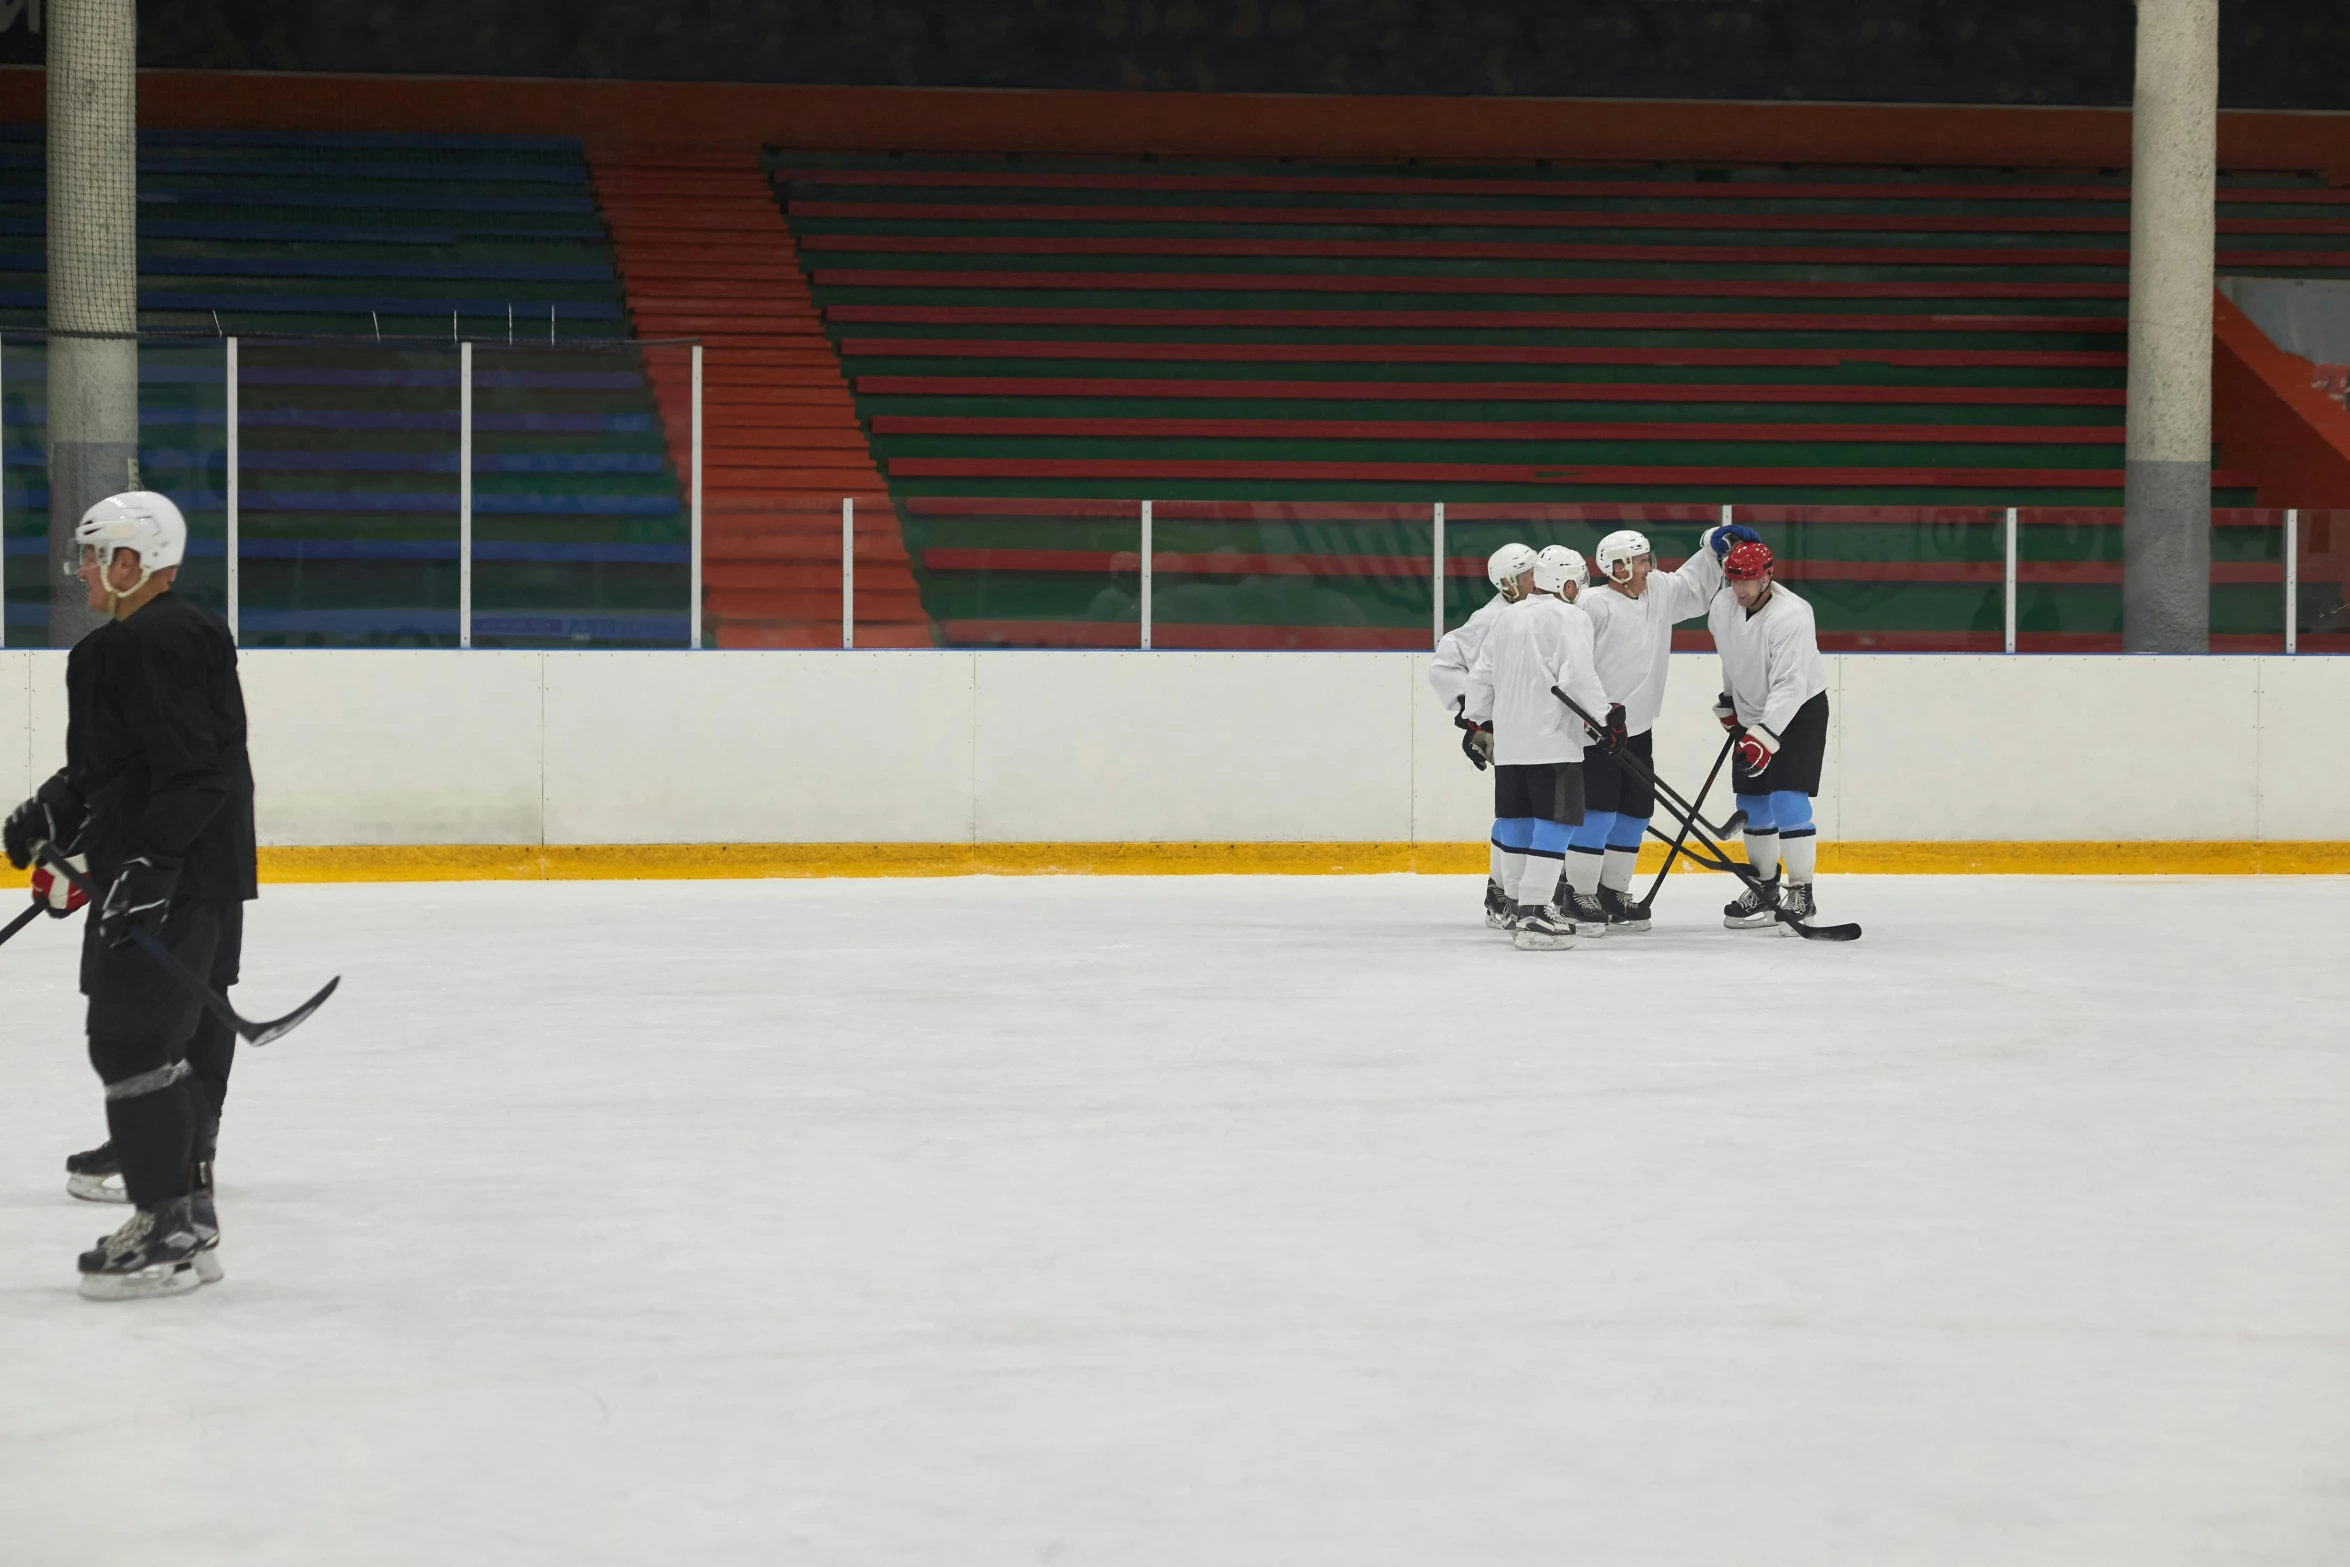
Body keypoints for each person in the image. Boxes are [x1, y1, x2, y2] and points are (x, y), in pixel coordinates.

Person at [1, 491, 258, 1300]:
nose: (81, 569)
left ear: (133, 562)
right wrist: (56, 811)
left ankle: (167, 1228)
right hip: (196, 871)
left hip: (172, 875)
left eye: (93, 554)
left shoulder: (143, 643)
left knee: (132, 1042)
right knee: (157, 1038)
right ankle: (187, 1211)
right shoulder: (171, 634)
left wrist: (148, 864)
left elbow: (194, 771)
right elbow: (126, 766)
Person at [1566, 522, 1752, 931]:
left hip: (1639, 727)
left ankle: (1612, 892)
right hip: (1593, 730)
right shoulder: (1590, 605)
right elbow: (1573, 668)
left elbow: (1692, 586)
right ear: (1617, 567)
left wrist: (1711, 547)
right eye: (1640, 560)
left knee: (1634, 811)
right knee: (1596, 812)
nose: (1649, 565)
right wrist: (1596, 714)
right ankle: (1577, 894)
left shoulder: (1657, 592)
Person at [1462, 546, 1616, 951]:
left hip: (1511, 747)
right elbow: (1578, 677)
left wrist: (1480, 722)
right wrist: (1606, 719)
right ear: (1567, 584)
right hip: (1554, 743)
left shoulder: (1505, 617)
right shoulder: (1571, 616)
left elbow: (1481, 677)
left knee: (1517, 821)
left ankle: (1513, 904)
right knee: (1555, 822)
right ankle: (1535, 911)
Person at [1709, 538, 1831, 933]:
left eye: (1749, 580)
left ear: (1768, 576)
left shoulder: (1792, 615)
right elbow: (1732, 657)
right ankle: (1765, 889)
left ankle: (1802, 892)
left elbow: (1790, 686)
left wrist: (1763, 735)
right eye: (1734, 580)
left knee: (1785, 797)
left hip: (1798, 712)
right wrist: (1729, 701)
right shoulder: (1723, 606)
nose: (1740, 589)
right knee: (1751, 801)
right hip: (1753, 709)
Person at [1429, 543, 1535, 927]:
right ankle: (1501, 890)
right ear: (1508, 583)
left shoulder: (1545, 611)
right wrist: (1474, 719)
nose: (1536, 579)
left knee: (1535, 811)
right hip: (1510, 731)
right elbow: (1446, 661)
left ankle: (1516, 888)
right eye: (1528, 574)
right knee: (1516, 810)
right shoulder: (1492, 618)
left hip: (1541, 730)